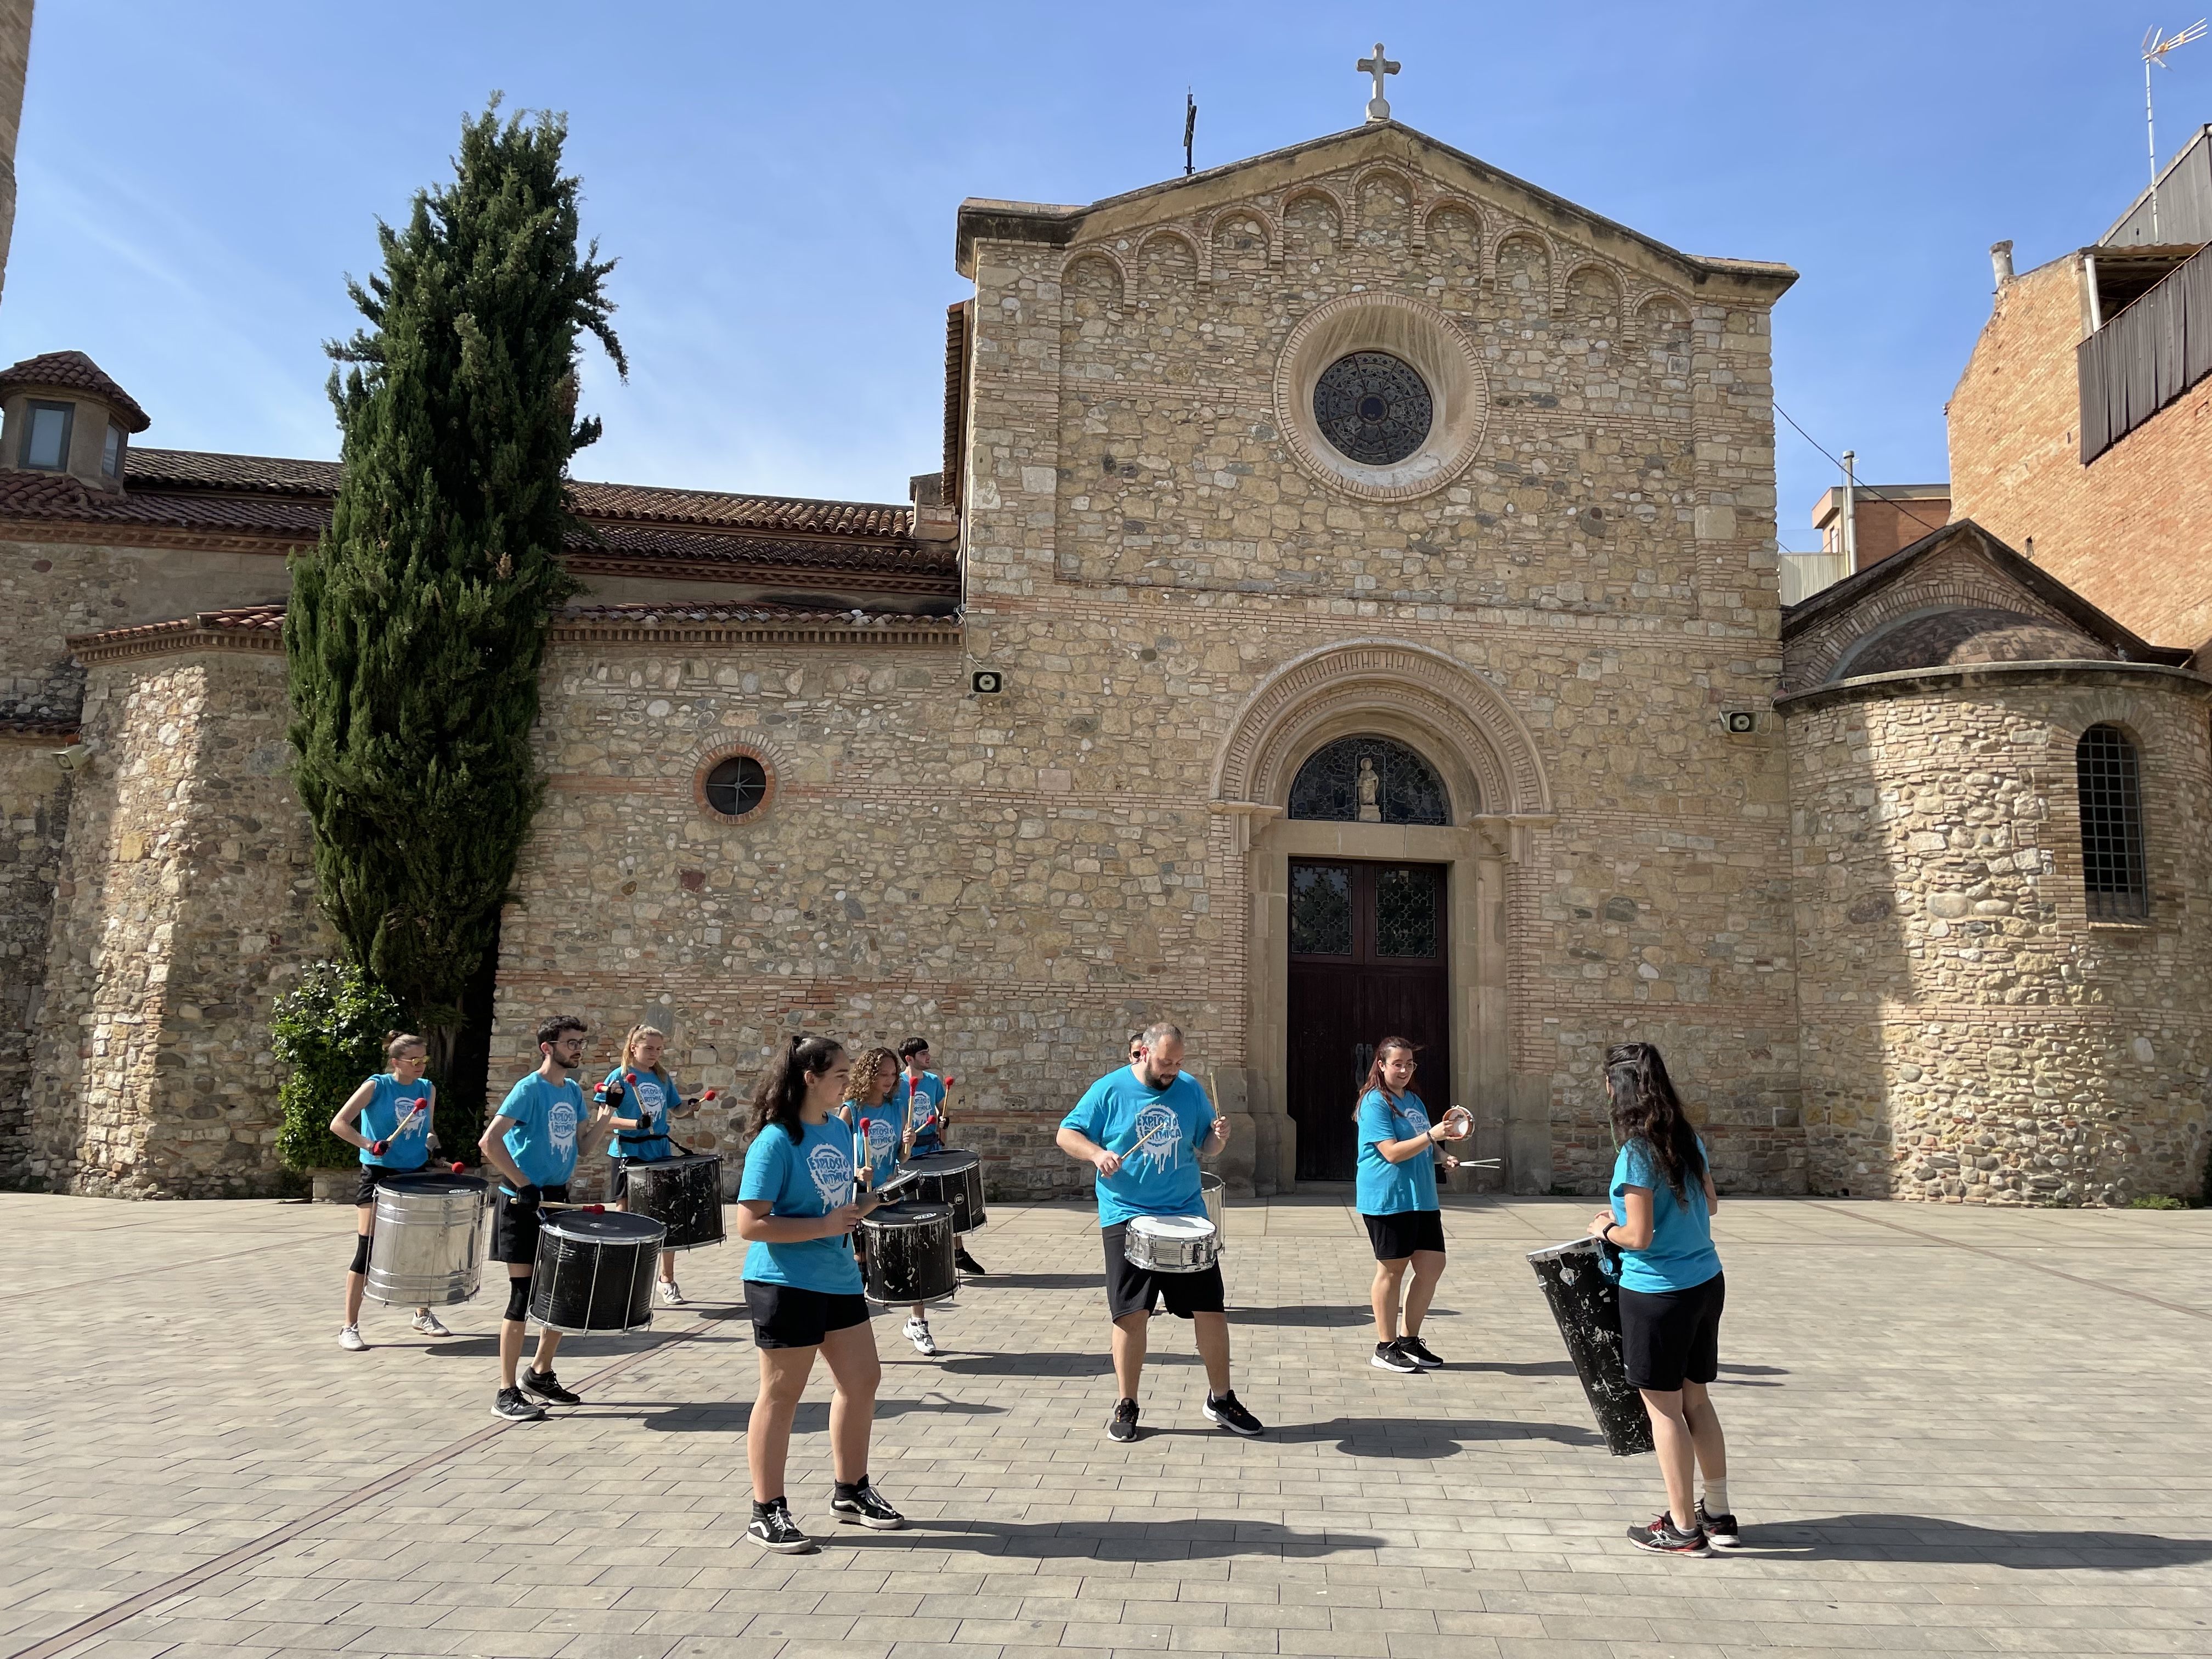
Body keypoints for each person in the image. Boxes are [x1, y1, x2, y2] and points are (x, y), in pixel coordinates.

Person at [1056, 1020, 1264, 1443]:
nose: (1172, 1070)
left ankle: (1221, 1399)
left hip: (1185, 1213)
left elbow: (1206, 1145)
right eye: (1166, 1062)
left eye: (1178, 1062)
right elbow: (1066, 1133)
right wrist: (1097, 1154)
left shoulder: (1189, 1089)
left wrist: (1219, 1138)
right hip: (1126, 1214)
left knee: (1211, 1310)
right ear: (1144, 1053)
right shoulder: (1110, 1089)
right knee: (1132, 1313)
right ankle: (1127, 1402)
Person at [737, 1034, 904, 1553]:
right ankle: (767, 1510)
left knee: (862, 1381)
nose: (847, 1084)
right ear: (810, 1077)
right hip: (784, 1282)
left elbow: (833, 1204)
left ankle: (851, 1491)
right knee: (782, 1394)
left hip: (836, 1278)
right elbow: (750, 1225)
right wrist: (824, 1223)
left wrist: (864, 1201)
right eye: (839, 1075)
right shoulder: (775, 1141)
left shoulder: (838, 1129)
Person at [1586, 1040, 1739, 1556]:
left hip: (1658, 1293)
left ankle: (1681, 1527)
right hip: (1706, 1281)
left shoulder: (1636, 1152)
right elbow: (1712, 1206)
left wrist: (1607, 1228)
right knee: (1697, 1399)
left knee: (1665, 1410)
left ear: (1619, 1089)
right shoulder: (1686, 1138)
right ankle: (1717, 1513)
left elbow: (1641, 1236)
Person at [478, 1014, 615, 1423]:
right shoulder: (528, 1090)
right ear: (548, 1047)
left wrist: (606, 1116)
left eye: (581, 1043)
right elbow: (490, 1142)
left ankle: (539, 1373)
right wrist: (522, 1183)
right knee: (523, 1297)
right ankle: (505, 1391)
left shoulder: (572, 1091)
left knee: (560, 1293)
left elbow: (585, 1147)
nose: (578, 1049)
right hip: (520, 1204)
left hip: (557, 1201)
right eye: (572, 1042)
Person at [329, 1031, 452, 1350]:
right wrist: (370, 1144)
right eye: (414, 1060)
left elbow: (429, 1131)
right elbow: (339, 1123)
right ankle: (349, 1326)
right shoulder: (377, 1086)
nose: (421, 1065)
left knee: (422, 1247)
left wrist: (437, 1155)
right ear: (396, 1062)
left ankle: (422, 1313)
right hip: (379, 1172)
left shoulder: (427, 1089)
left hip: (414, 1174)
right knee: (366, 1249)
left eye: (424, 1059)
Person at [1355, 1036, 1469, 1373]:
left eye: (1409, 1064)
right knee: (1391, 1270)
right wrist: (1433, 1136)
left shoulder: (1415, 1101)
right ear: (1381, 1065)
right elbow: (1391, 1152)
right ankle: (1384, 1345)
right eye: (1397, 1064)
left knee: (1432, 1266)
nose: (1404, 1070)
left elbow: (1425, 1145)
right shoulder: (1375, 1103)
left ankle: (1409, 1340)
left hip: (1422, 1198)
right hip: (1389, 1198)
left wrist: (1443, 1155)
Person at [838, 1046, 943, 1357]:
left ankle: (917, 1323)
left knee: (912, 1254)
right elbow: (835, 1153)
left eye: (892, 1075)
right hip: (860, 1194)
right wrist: (857, 1170)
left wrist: (907, 1146)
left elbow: (901, 1157)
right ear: (868, 1076)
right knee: (861, 1264)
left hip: (891, 1191)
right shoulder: (851, 1110)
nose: (888, 1080)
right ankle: (852, 1333)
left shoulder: (897, 1106)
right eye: (881, 1075)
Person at [603, 1023, 703, 1306]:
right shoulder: (619, 1078)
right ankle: (623, 1278)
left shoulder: (661, 1077)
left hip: (659, 1151)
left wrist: (691, 1106)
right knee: (625, 1214)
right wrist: (635, 1123)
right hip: (628, 1151)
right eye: (649, 1048)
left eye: (659, 1049)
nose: (655, 1054)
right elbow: (604, 1119)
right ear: (633, 1047)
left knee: (666, 1213)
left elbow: (678, 1110)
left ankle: (667, 1281)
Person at [896, 1036, 984, 1276]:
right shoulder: (899, 1084)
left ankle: (959, 1253)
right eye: (923, 1054)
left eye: (928, 1053)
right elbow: (897, 1114)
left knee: (945, 1200)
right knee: (914, 1206)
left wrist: (945, 1122)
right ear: (909, 1059)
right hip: (908, 1152)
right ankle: (918, 1257)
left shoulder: (934, 1081)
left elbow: (942, 1112)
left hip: (932, 1149)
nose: (928, 1057)